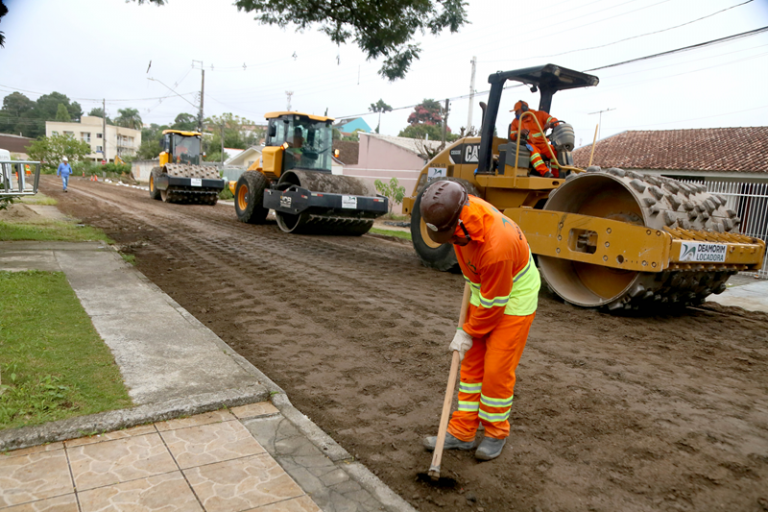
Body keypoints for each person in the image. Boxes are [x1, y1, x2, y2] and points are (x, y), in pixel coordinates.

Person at [422, 180, 540, 461]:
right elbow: (478, 280)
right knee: (471, 364)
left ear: (461, 222)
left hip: (513, 299)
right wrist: (469, 334)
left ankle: (496, 432)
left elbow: (495, 304)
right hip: (486, 291)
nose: (450, 241)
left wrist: (468, 331)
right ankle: (462, 432)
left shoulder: (497, 245)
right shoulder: (460, 222)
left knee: (496, 369)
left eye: (450, 235)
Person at [508, 100, 559, 178]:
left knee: (555, 150)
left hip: (543, 144)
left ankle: (556, 175)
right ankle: (545, 173)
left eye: (517, 111)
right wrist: (519, 133)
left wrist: (551, 124)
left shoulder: (539, 115)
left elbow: (554, 120)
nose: (515, 114)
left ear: (524, 109)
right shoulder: (515, 122)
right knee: (532, 150)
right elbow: (512, 135)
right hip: (529, 145)